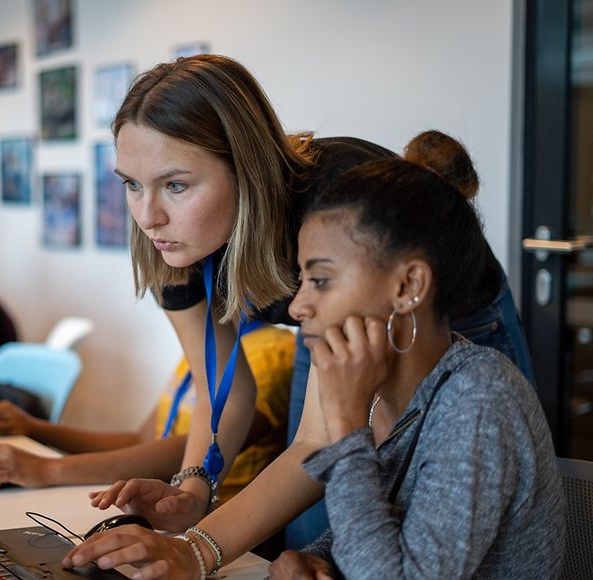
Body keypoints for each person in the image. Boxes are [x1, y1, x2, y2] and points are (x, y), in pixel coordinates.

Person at [70, 53, 536, 550]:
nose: (147, 216)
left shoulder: (334, 205)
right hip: (335, 330)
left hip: (446, 320)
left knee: (429, 525)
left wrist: (196, 551)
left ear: (244, 167)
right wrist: (194, 491)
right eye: (132, 184)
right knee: (310, 534)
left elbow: (318, 440)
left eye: (176, 185)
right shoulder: (173, 241)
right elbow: (222, 391)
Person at [0, 323, 294, 509]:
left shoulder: (276, 353)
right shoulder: (208, 340)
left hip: (203, 516)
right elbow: (142, 439)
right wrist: (37, 429)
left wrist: (47, 469)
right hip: (148, 502)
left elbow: (191, 449)